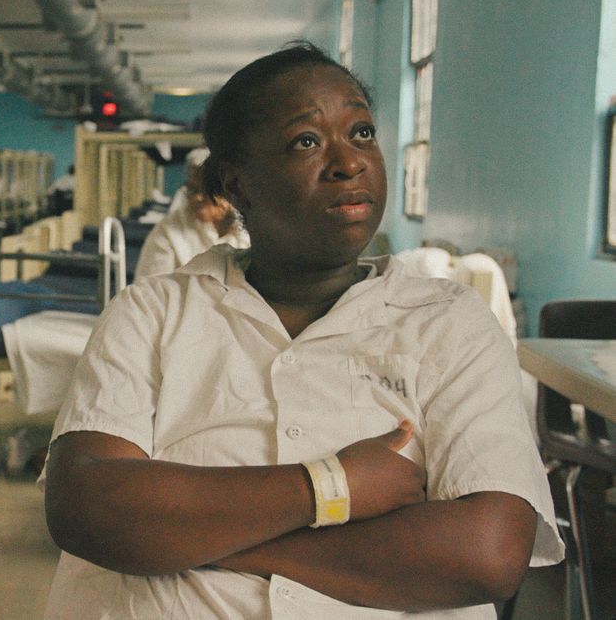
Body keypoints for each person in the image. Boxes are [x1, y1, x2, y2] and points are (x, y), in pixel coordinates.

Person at [41, 42, 563, 619]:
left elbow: (487, 554)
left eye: (361, 132)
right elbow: (87, 508)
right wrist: (334, 486)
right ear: (237, 185)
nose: (349, 161)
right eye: (307, 141)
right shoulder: (152, 313)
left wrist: (200, 536)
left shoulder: (451, 323)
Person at [134, 147, 250, 278]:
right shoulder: (168, 231)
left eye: (205, 191)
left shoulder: (252, 229)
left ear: (228, 190)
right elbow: (149, 291)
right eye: (192, 189)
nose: (197, 198)